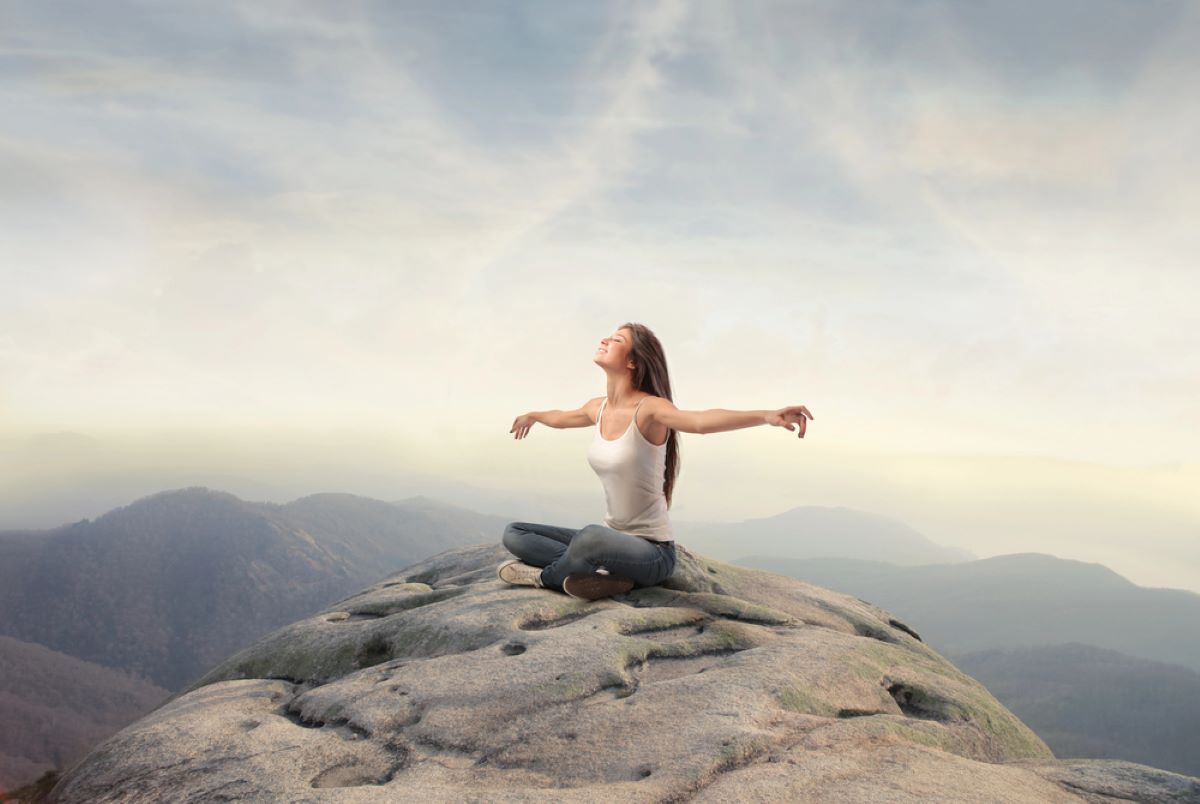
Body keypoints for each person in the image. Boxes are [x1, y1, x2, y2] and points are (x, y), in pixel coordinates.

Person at [498, 321, 813, 601]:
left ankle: (544, 578)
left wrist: (766, 416)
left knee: (590, 538)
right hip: (614, 542)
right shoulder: (598, 408)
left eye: (617, 340)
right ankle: (605, 579)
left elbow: (701, 420)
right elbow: (563, 417)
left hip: (652, 553)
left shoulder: (649, 410)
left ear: (632, 362)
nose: (605, 340)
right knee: (516, 533)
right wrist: (534, 416)